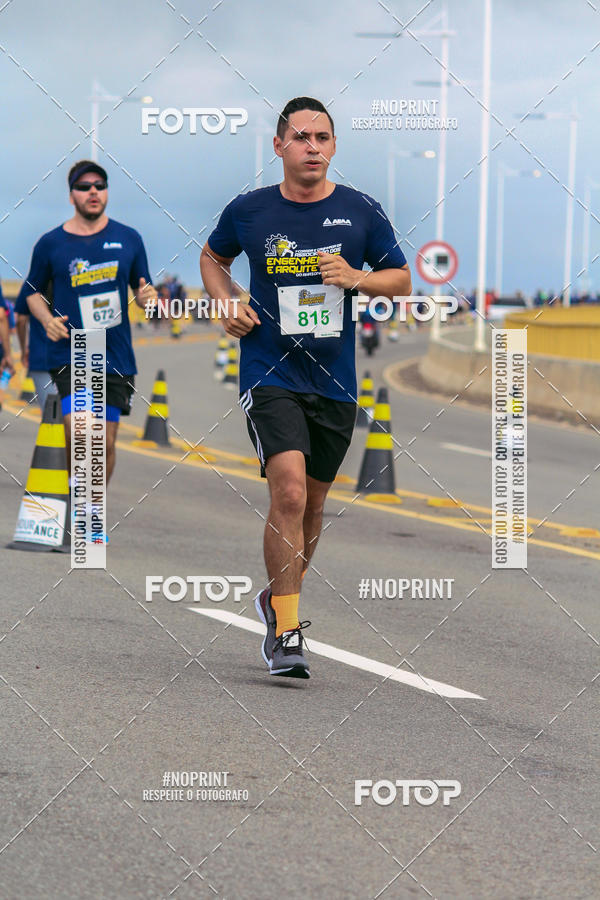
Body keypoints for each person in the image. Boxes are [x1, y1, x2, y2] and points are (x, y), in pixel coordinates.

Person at [200, 96, 411, 679]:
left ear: (334, 146)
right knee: (288, 493)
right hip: (270, 371)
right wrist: (227, 302)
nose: (312, 147)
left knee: (314, 505)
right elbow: (213, 257)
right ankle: (287, 634)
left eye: (322, 137)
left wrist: (359, 278)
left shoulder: (361, 211)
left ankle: (276, 599)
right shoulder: (250, 210)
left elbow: (401, 279)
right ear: (279, 147)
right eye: (300, 137)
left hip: (335, 379)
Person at [25, 159, 157, 488]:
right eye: (84, 187)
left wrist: (148, 300)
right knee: (84, 434)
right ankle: (83, 512)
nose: (93, 192)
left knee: (106, 444)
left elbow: (143, 291)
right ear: (72, 196)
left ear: (107, 192)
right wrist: (47, 319)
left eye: (99, 185)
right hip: (75, 352)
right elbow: (31, 292)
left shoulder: (129, 239)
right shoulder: (51, 243)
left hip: (116, 355)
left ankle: (88, 506)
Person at [15, 282, 57, 410]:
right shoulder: (73, 276)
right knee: (82, 417)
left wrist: (24, 349)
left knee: (51, 413)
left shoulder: (32, 284)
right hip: (78, 356)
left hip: (41, 357)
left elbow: (21, 320)